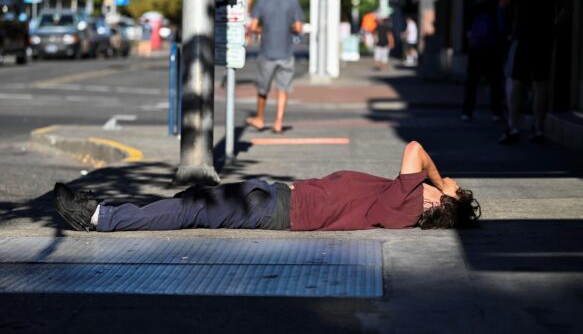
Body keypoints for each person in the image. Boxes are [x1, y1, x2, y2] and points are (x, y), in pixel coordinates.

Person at [53, 141, 481, 232]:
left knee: (191, 210)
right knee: (191, 201)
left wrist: (440, 182)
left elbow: (414, 148)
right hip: (276, 199)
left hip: (273, 207)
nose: (454, 181)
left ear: (446, 200)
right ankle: (111, 210)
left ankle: (98, 216)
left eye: (457, 188)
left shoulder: (405, 203)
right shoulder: (403, 203)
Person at [498, 0, 560, 144]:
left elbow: (503, 0)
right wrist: (555, 26)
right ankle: (539, 128)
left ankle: (513, 126)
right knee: (541, 83)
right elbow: (567, 7)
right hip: (545, 37)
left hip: (523, 36)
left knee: (515, 81)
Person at [245, 0, 304, 134]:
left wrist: (264, 30)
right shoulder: (293, 2)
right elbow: (299, 28)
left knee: (263, 88)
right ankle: (278, 123)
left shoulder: (263, 2)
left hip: (267, 52)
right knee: (283, 88)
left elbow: (254, 27)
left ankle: (260, 118)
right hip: (286, 53)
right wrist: (288, 28)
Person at [461, 0, 505, 122]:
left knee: (471, 83)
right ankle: (496, 112)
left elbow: (468, 32)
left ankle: (467, 112)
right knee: (494, 83)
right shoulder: (497, 8)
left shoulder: (474, 8)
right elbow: (502, 29)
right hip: (492, 51)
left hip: (475, 51)